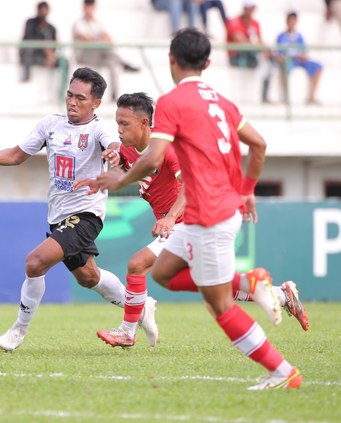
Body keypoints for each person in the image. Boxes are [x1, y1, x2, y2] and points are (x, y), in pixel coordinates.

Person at [94, 29, 303, 390]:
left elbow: (156, 158)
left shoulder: (172, 103)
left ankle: (284, 372)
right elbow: (259, 144)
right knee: (162, 273)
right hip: (218, 209)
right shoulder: (222, 102)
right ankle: (259, 288)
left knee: (219, 305)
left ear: (171, 60)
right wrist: (248, 189)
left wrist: (118, 181)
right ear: (207, 63)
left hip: (206, 214)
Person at [75, 93, 308, 348]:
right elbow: (126, 163)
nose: (118, 131)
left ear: (144, 123)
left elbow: (190, 183)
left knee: (137, 264)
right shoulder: (130, 150)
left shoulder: (168, 150)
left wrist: (170, 218)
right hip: (187, 224)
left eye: (125, 124)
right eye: (117, 123)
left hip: (191, 221)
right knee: (212, 286)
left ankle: (127, 331)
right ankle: (280, 295)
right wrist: (100, 180)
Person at [0, 67, 158, 351]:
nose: (72, 102)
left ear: (96, 103)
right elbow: (16, 155)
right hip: (59, 216)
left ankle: (17, 331)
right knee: (89, 278)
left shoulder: (100, 128)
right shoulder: (50, 124)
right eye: (69, 95)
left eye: (81, 98)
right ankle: (139, 304)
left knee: (35, 262)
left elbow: (113, 144)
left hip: (87, 215)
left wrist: (113, 152)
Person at [72, 0, 139, 101]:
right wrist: (98, 42)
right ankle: (123, 63)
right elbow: (84, 38)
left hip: (99, 55)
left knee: (112, 63)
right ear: (84, 7)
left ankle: (114, 95)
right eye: (87, 7)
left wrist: (101, 41)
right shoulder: (79, 23)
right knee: (105, 48)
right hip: (84, 54)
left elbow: (107, 37)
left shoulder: (97, 23)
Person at [226, 0, 273, 103]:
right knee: (260, 58)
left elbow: (260, 41)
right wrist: (258, 48)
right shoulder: (234, 21)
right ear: (244, 8)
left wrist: (267, 51)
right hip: (237, 56)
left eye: (253, 7)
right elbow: (239, 40)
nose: (251, 10)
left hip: (251, 54)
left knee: (270, 61)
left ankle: (264, 96)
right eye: (249, 7)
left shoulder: (255, 23)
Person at [276, 12, 323, 105]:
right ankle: (286, 97)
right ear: (287, 21)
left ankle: (312, 97)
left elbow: (304, 52)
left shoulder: (299, 36)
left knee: (318, 67)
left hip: (299, 60)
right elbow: (279, 54)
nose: (292, 22)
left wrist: (301, 55)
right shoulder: (281, 37)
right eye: (290, 20)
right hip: (289, 61)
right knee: (284, 68)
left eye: (294, 20)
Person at [19, 2, 61, 83]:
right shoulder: (30, 23)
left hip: (45, 57)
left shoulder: (51, 28)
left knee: (63, 61)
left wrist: (49, 53)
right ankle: (26, 78)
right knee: (28, 50)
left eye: (45, 11)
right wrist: (43, 46)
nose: (43, 14)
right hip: (33, 55)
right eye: (42, 11)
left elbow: (54, 45)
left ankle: (64, 85)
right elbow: (29, 39)